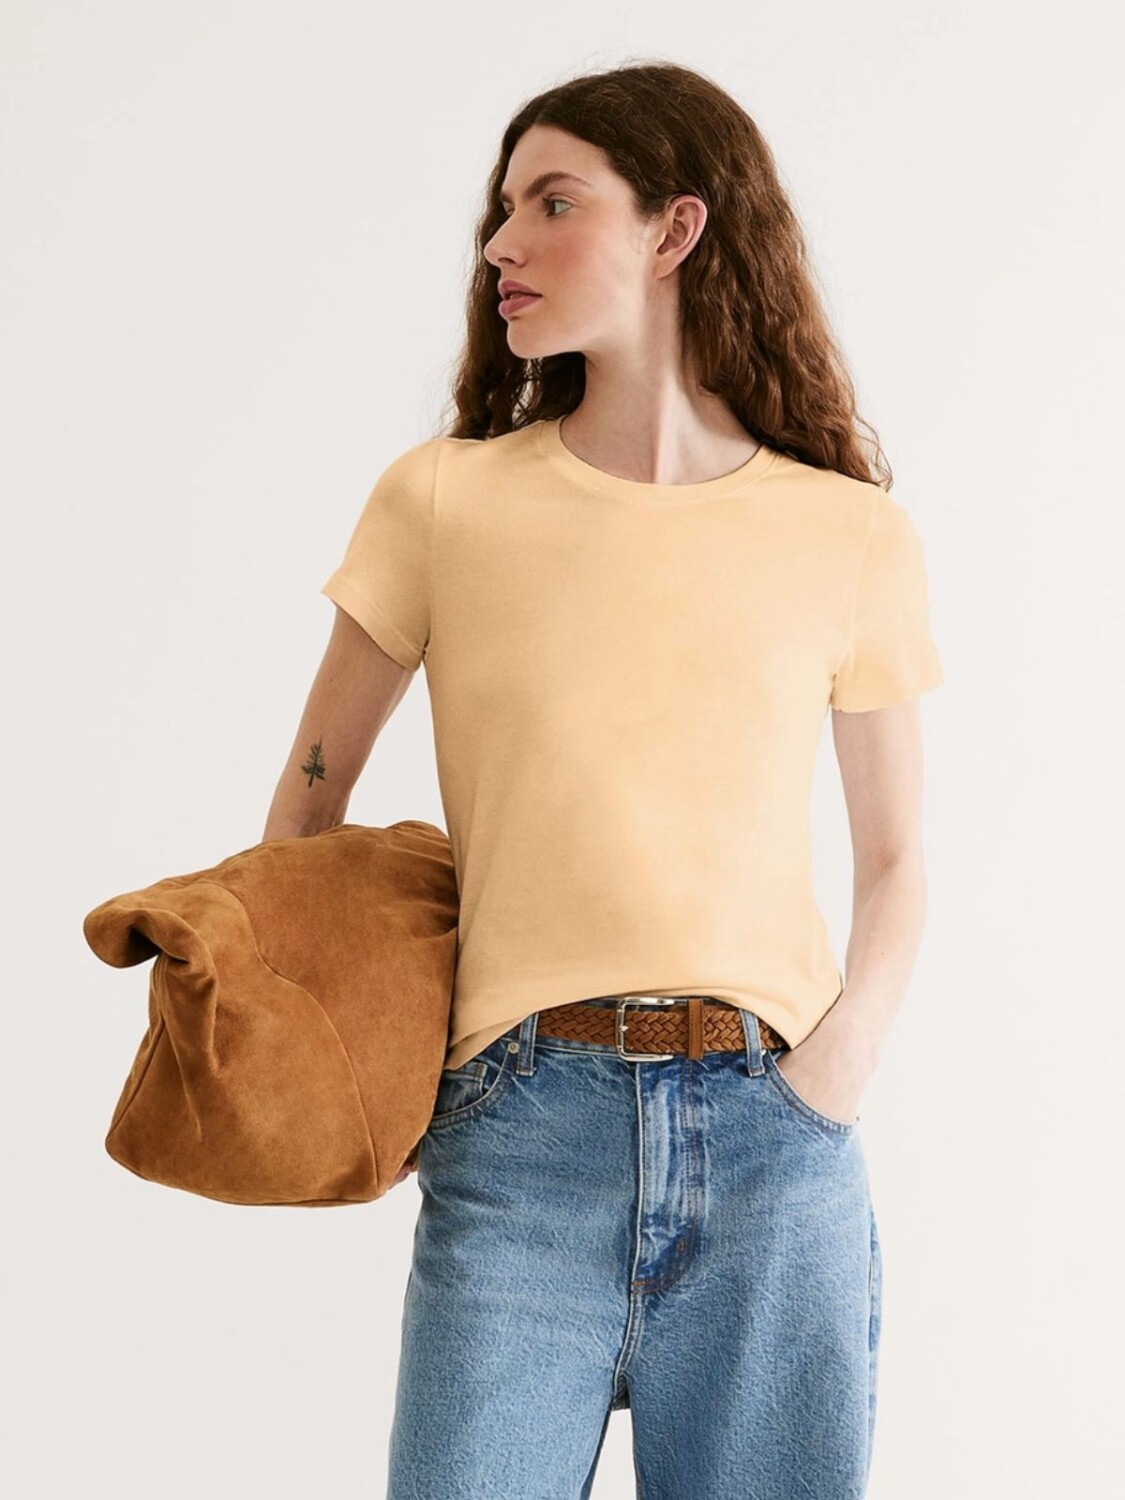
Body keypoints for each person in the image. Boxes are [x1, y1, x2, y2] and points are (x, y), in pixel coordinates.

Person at [263, 60, 944, 1500]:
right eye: (501, 208)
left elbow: (897, 862)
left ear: (674, 229)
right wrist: (356, 1079)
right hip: (514, 1135)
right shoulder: (440, 502)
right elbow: (308, 812)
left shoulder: (846, 533)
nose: (501, 243)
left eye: (552, 203)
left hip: (775, 1143)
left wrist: (830, 1076)